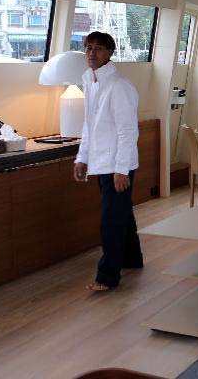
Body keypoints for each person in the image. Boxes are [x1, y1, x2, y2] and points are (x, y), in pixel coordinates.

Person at [73, 31, 143, 291]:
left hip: (117, 165)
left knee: (110, 221)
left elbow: (128, 131)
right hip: (101, 162)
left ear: (110, 53)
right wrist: (82, 158)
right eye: (88, 48)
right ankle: (133, 260)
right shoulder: (90, 83)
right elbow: (90, 126)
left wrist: (121, 169)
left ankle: (107, 277)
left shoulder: (118, 86)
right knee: (121, 214)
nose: (92, 53)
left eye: (99, 48)